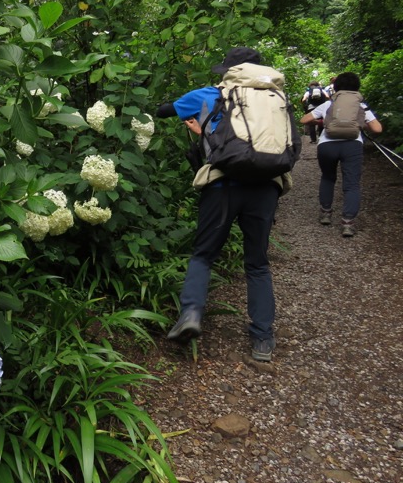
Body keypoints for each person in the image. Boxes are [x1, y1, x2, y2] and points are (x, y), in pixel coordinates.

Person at [155, 47, 293, 362]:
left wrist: (194, 117)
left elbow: (165, 111)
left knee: (203, 254)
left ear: (230, 71)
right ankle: (262, 340)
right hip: (266, 187)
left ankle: (191, 314)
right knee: (257, 263)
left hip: (223, 185)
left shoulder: (211, 93)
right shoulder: (276, 98)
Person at [299, 72, 382, 238]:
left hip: (327, 145)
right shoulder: (361, 106)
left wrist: (324, 122)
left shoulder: (329, 105)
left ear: (335, 89)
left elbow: (304, 120)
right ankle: (348, 223)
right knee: (352, 184)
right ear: (357, 88)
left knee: (328, 177)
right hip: (352, 145)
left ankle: (325, 214)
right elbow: (377, 129)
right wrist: (358, 125)